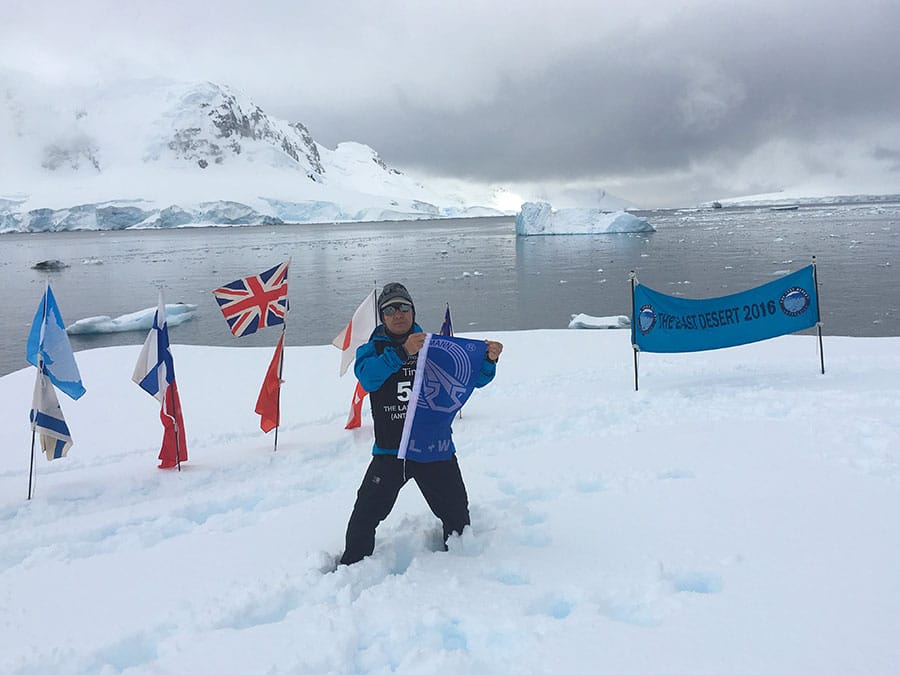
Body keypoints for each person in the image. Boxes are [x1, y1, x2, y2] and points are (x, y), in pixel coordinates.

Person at [339, 282, 503, 566]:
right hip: (391, 451)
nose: (398, 314)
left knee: (457, 517)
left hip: (433, 447)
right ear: (382, 316)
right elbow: (368, 378)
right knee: (365, 514)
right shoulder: (371, 350)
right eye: (390, 310)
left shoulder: (434, 346)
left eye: (404, 307)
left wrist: (488, 361)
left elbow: (471, 379)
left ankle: (464, 565)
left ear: (413, 311)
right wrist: (402, 352)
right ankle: (351, 566)